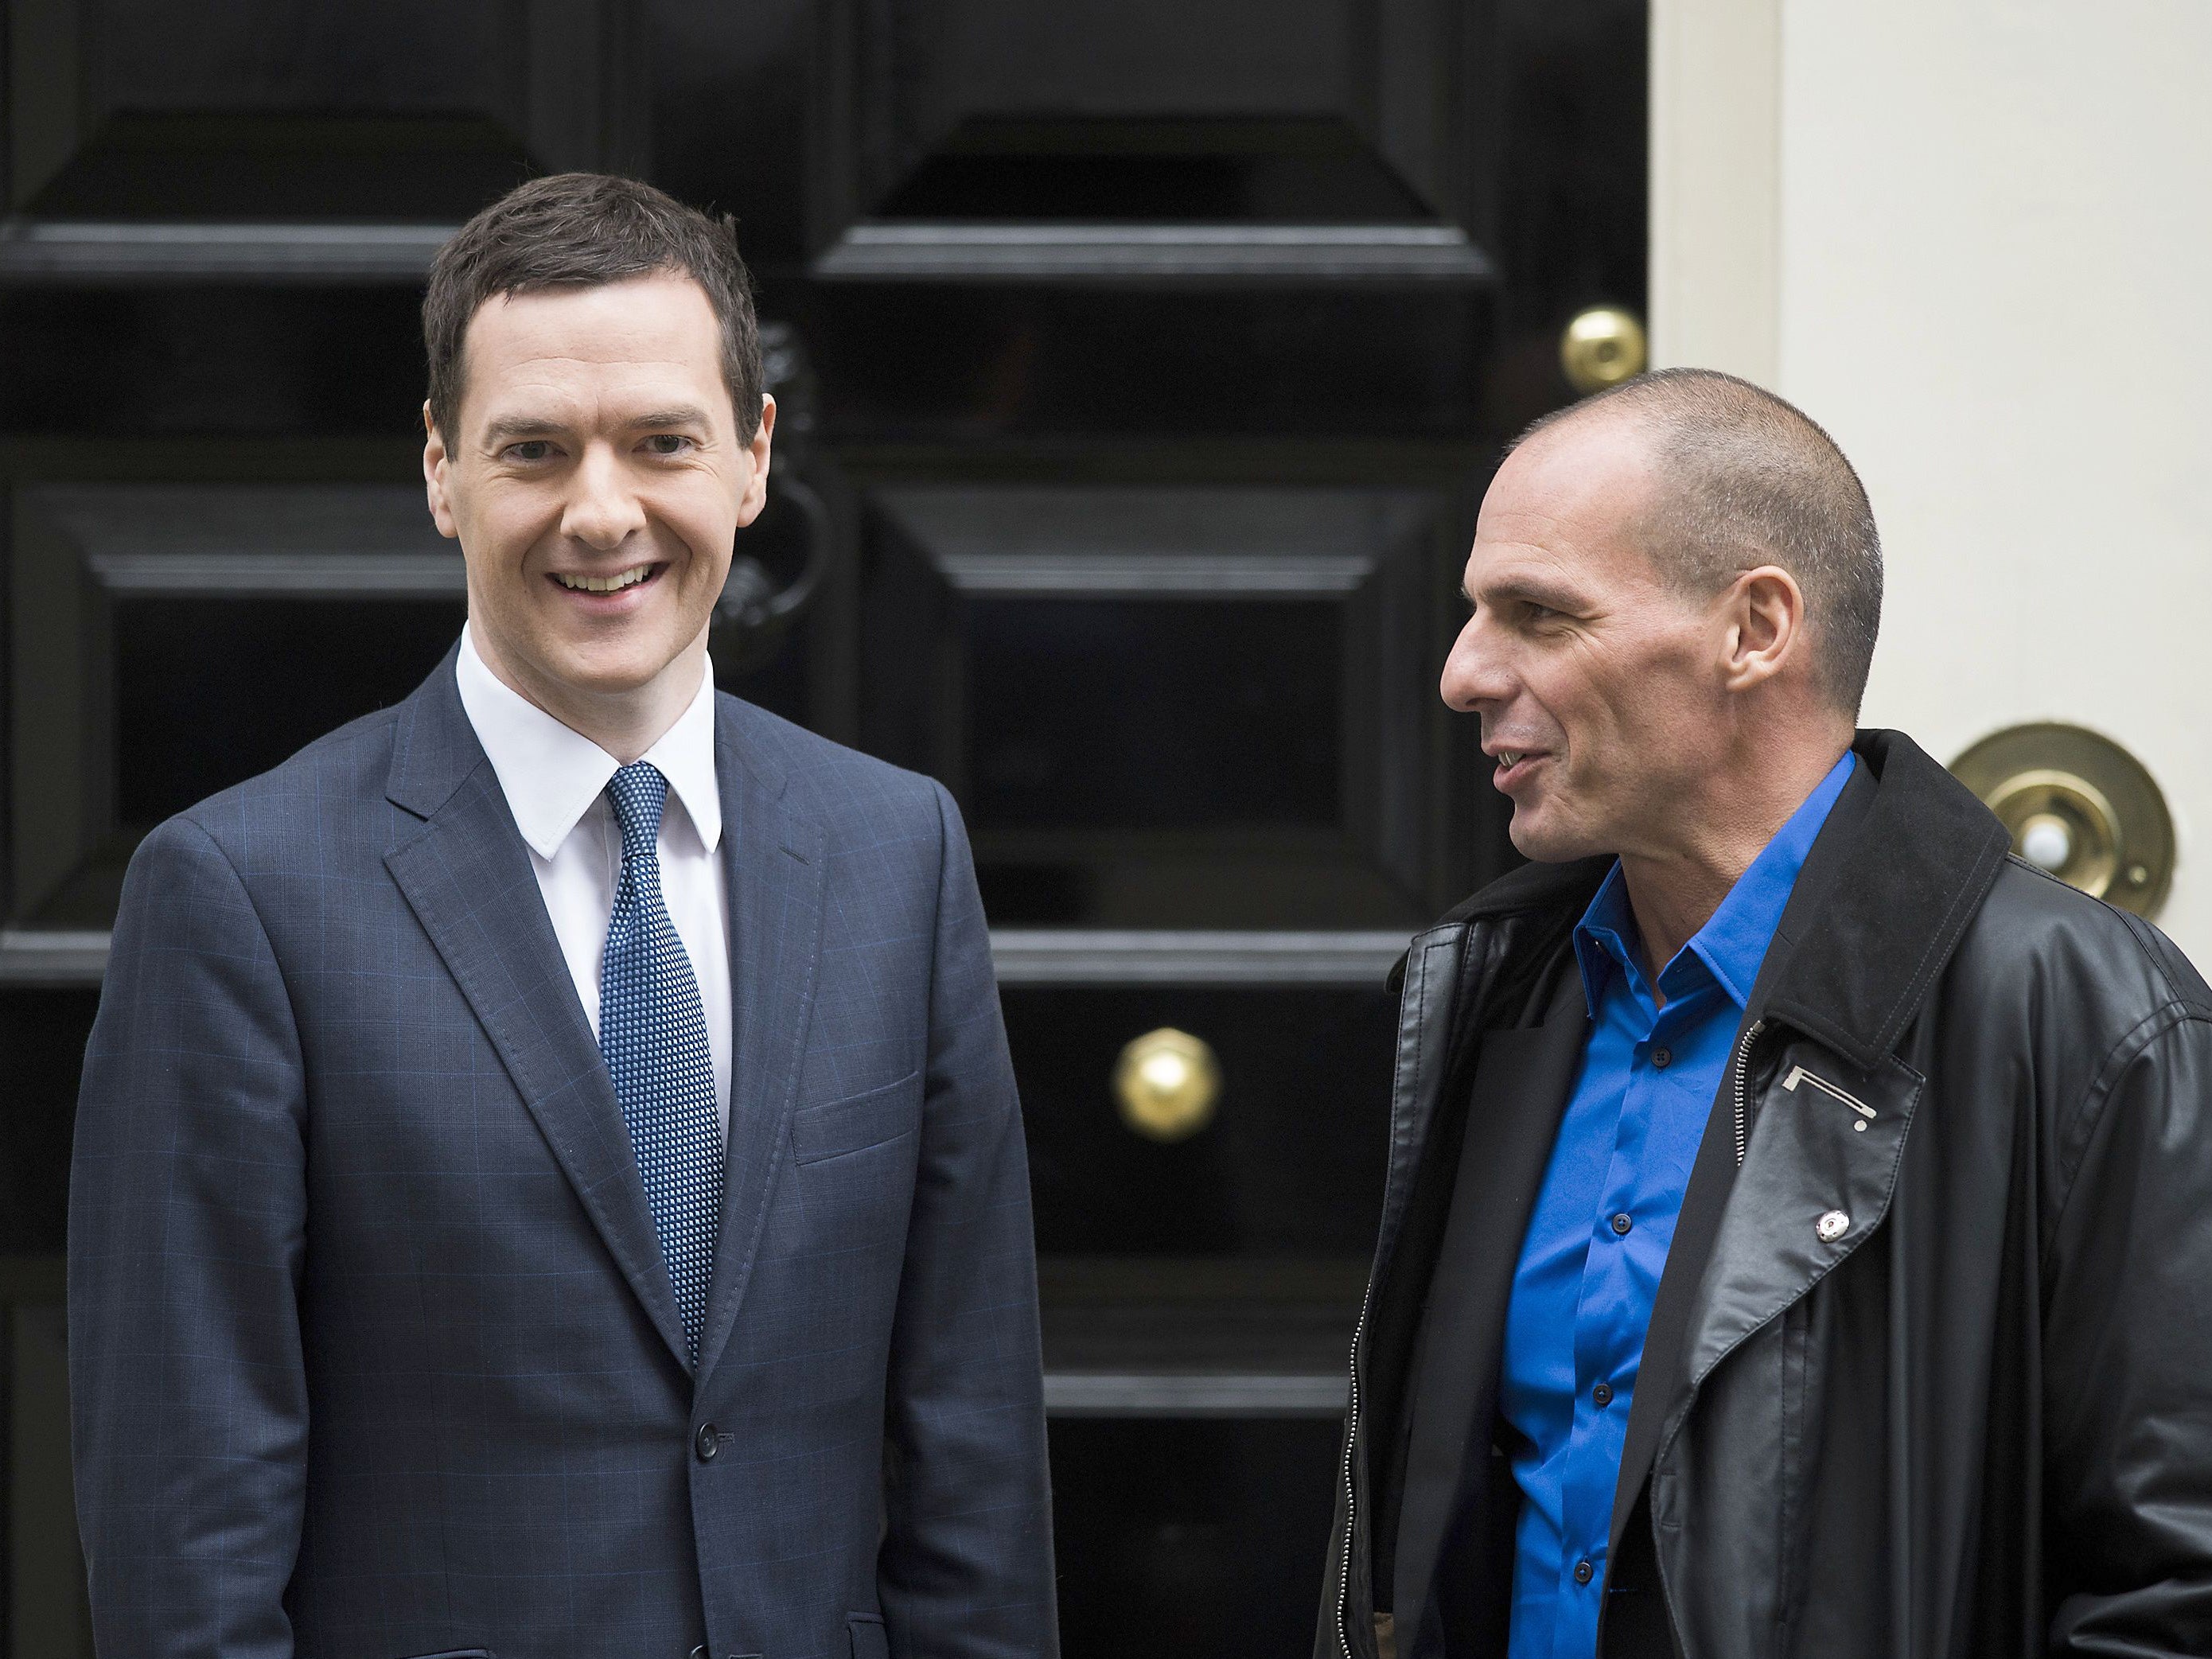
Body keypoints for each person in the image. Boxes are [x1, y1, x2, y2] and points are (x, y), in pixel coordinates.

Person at [69, 173, 1058, 1659]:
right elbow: (183, 1534)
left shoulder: (894, 851)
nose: (604, 513)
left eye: (662, 441)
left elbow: (972, 1444)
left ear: (753, 456)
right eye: (533, 450)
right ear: (440, 471)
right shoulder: (241, 893)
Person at [1316, 368, 2212, 1659]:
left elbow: (2177, 1593)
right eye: (1475, 614)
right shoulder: (1484, 989)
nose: (1463, 672)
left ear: (1754, 628)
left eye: (1537, 613)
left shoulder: (2086, 1021)